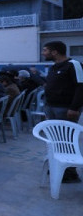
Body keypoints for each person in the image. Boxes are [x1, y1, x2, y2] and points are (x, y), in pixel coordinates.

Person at [41, 40, 83, 182]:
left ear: (55, 52)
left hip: (65, 109)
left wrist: (74, 107)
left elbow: (80, 87)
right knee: (55, 140)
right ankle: (58, 166)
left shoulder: (73, 65)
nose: (43, 53)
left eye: (45, 50)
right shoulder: (54, 66)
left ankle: (70, 172)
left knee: (67, 140)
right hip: (51, 107)